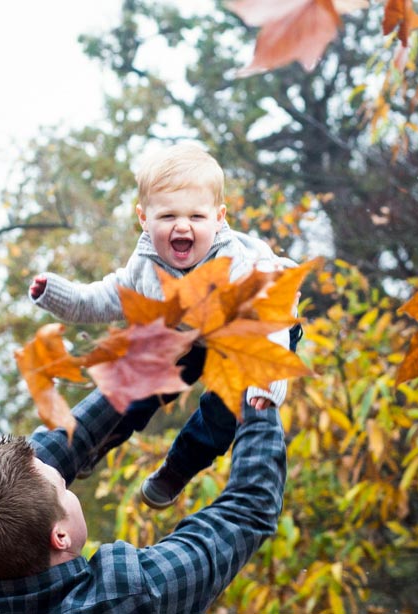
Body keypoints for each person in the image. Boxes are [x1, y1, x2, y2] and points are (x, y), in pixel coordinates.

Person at [29, 142, 301, 508]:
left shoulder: (238, 266)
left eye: (196, 217)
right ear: (144, 218)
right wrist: (56, 294)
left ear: (219, 218)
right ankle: (92, 444)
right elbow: (103, 298)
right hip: (192, 334)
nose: (182, 226)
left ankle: (179, 467)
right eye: (168, 216)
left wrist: (266, 382)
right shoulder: (146, 264)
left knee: (226, 408)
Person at [0, 388, 288, 612]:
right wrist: (261, 394)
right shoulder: (125, 600)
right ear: (60, 536)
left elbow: (62, 443)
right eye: (63, 487)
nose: (66, 480)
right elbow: (247, 510)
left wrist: (149, 362)